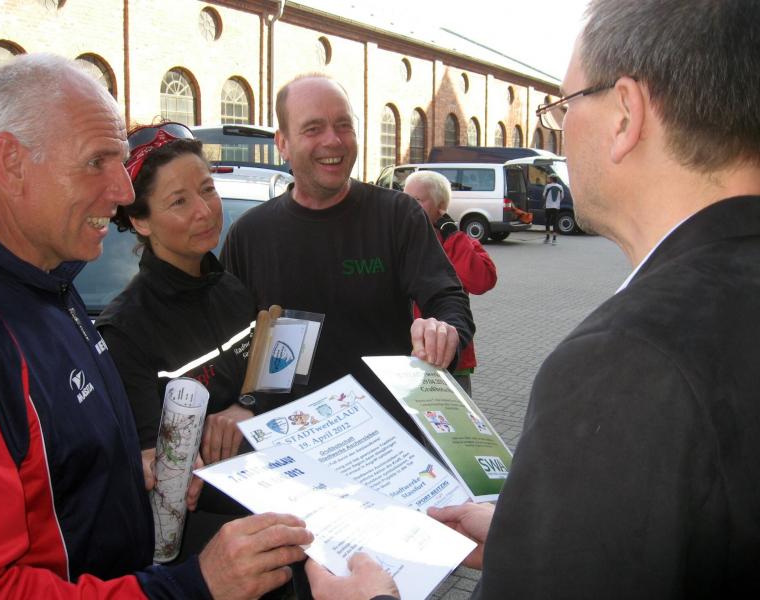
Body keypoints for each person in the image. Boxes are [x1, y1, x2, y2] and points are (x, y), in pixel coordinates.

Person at [307, 0, 760, 596]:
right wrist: (534, 534)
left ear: (625, 114)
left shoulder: (623, 362)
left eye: (565, 105)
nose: (560, 129)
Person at [0, 53, 311, 599]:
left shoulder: (51, 282)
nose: (123, 192)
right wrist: (192, 586)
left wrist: (136, 467)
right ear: (12, 161)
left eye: (120, 163)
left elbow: (66, 472)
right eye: (97, 161)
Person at [222, 74, 474, 436]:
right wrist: (237, 401)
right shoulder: (250, 234)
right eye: (313, 128)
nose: (333, 140)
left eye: (344, 125)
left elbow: (448, 298)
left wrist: (444, 330)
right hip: (288, 438)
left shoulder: (397, 216)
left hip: (386, 436)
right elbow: (228, 340)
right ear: (283, 143)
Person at [94, 123, 260, 559]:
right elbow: (157, 475)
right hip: (204, 550)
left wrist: (247, 406)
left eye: (207, 190)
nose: (205, 211)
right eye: (179, 201)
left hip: (271, 505)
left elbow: (268, 384)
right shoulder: (125, 332)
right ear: (139, 220)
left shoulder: (234, 291)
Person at [403, 169, 497, 397]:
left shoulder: (461, 243)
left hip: (450, 356)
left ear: (441, 207)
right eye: (405, 199)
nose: (408, 206)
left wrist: (453, 237)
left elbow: (482, 281)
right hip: (408, 354)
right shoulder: (400, 240)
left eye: (417, 200)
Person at [542, 174, 563, 244]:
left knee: (547, 222)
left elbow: (544, 196)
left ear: (551, 179)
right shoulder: (560, 187)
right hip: (556, 207)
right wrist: (557, 202)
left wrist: (547, 201)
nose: (549, 180)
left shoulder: (548, 186)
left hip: (548, 206)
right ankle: (554, 239)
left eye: (549, 178)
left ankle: (547, 238)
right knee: (555, 222)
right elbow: (562, 197)